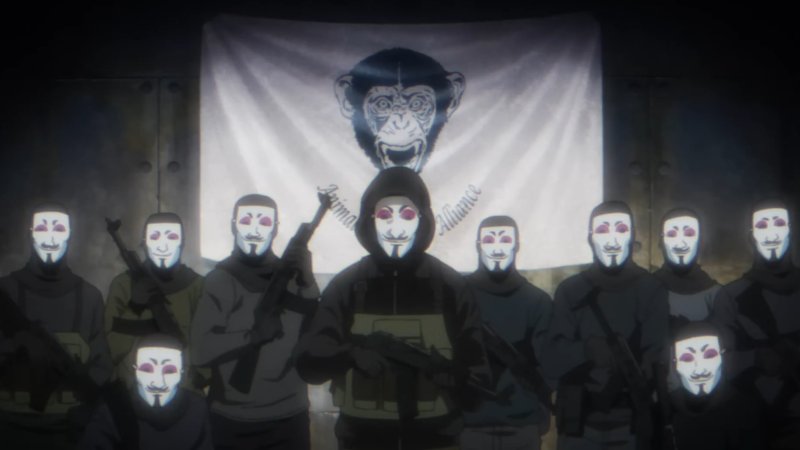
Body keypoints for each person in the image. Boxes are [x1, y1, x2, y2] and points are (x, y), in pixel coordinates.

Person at [294, 167, 491, 450]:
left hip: (436, 439)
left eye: (407, 215)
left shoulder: (450, 286)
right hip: (362, 439)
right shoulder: (347, 286)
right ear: (370, 218)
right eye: (385, 214)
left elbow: (479, 381)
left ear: (422, 219)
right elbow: (308, 363)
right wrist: (350, 354)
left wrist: (452, 379)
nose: (395, 228)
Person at [190, 194, 319, 450]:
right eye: (246, 220)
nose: (255, 230)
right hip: (231, 419)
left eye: (264, 222)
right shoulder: (220, 280)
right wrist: (251, 337)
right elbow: (200, 351)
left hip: (289, 417)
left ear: (275, 228)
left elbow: (318, 339)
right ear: (233, 225)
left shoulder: (296, 278)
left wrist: (308, 282)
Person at [542, 200, 668, 450]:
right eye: (603, 230)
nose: (612, 240)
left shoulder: (650, 289)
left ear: (632, 236)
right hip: (579, 422)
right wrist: (586, 351)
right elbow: (551, 360)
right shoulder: (570, 291)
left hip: (632, 422)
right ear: (590, 237)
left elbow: (658, 358)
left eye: (620, 229)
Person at [0, 202, 112, 449]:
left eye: (59, 228)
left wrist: (87, 409)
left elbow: (102, 366)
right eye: (42, 228)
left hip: (71, 432)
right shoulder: (6, 291)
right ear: (30, 233)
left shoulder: (89, 297)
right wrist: (15, 350)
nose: (50, 238)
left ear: (70, 234)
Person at [711, 199, 800, 450]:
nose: (771, 234)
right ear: (751, 237)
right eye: (762, 226)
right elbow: (718, 362)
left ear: (791, 231)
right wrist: (754, 358)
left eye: (779, 224)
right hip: (752, 421)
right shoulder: (731, 296)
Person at [460, 215, 553, 450]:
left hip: (523, 426)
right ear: (478, 246)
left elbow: (548, 368)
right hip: (468, 426)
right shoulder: (457, 296)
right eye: (489, 240)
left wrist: (539, 416)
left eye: (505, 239)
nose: (497, 248)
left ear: (517, 245)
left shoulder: (538, 302)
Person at [105, 212, 207, 391]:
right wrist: (134, 307)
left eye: (171, 236)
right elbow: (110, 352)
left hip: (185, 391)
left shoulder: (198, 287)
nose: (163, 245)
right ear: (144, 242)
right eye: (155, 236)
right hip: (130, 392)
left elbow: (209, 346)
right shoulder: (123, 285)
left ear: (182, 242)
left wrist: (201, 374)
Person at [79, 333, 213, 450]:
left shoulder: (197, 409)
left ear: (181, 373)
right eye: (147, 369)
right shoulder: (112, 409)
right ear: (135, 370)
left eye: (169, 370)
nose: (158, 382)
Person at [657, 320, 764, 450]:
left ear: (723, 357)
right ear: (674, 364)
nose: (699, 370)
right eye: (687, 358)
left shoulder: (744, 410)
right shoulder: (670, 414)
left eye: (709, 355)